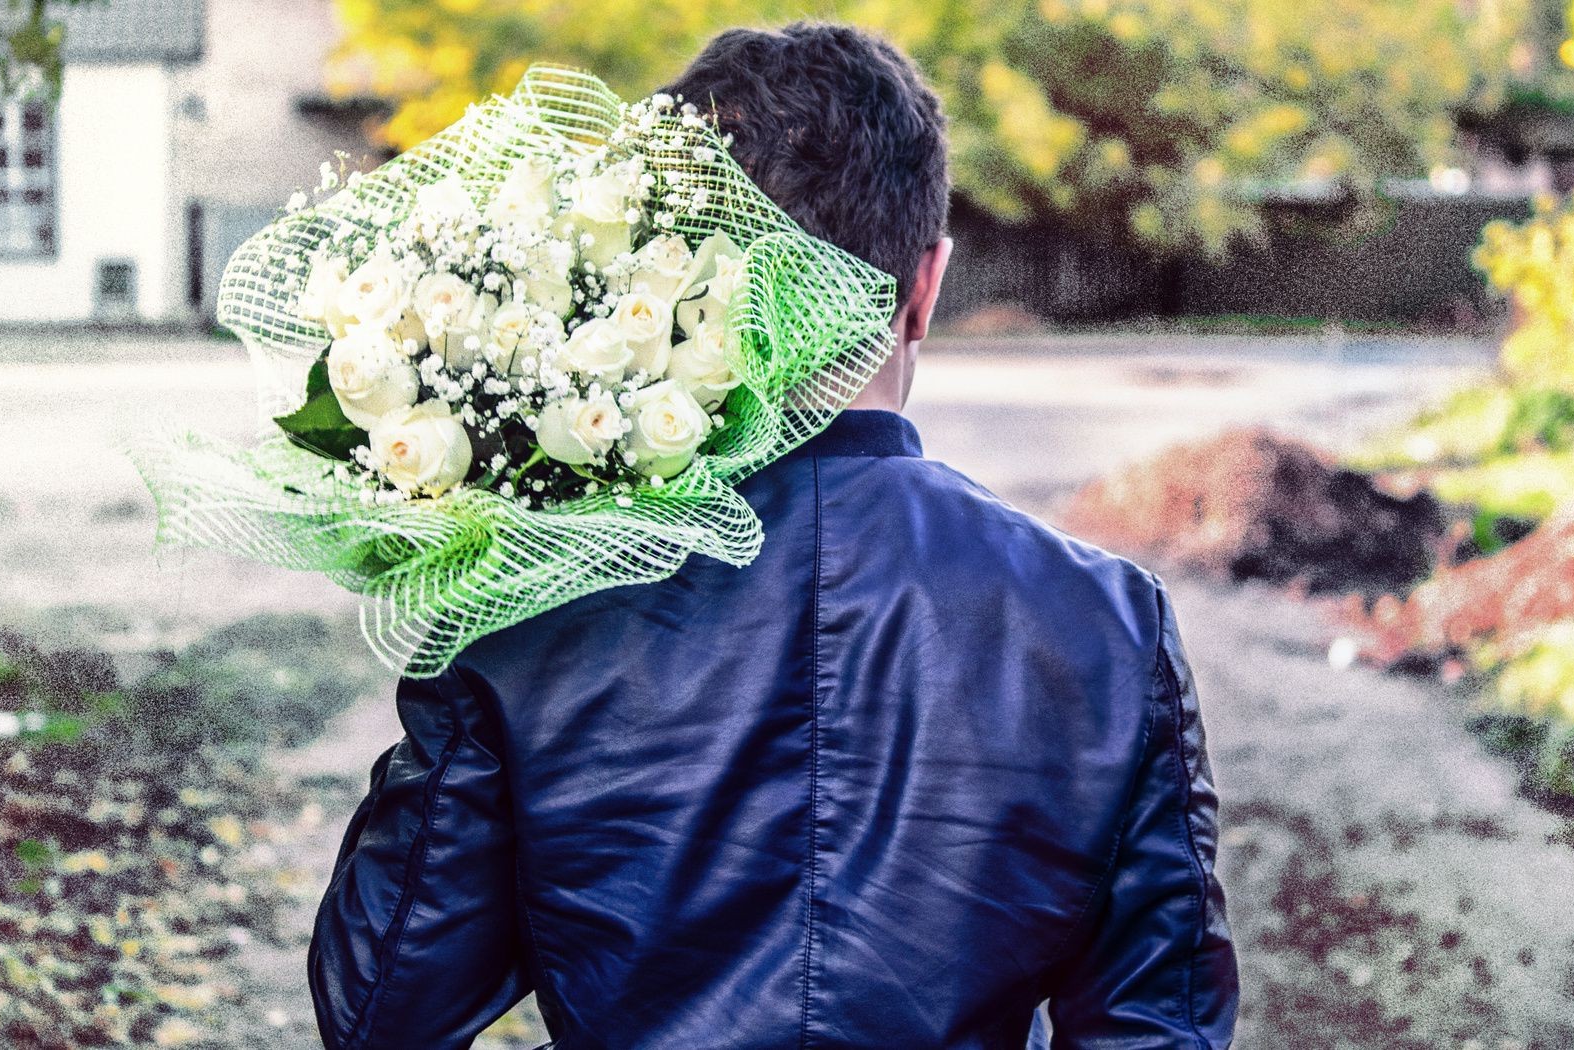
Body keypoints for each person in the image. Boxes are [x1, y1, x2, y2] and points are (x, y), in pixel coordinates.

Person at [308, 22, 1237, 1049]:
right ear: (925, 286)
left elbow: (380, 1009)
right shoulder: (1103, 622)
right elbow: (1157, 1030)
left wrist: (471, 604)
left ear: (671, 274)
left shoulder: (542, 598)